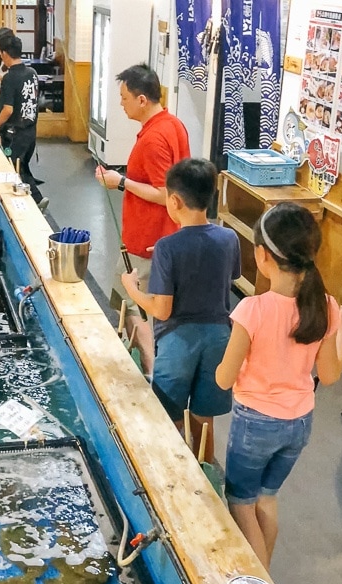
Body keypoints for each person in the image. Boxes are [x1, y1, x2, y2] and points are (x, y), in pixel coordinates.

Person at [215, 202, 342, 570]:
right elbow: (329, 376)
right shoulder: (325, 306)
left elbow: (224, 378)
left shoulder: (252, 310)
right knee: (267, 499)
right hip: (299, 425)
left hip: (255, 424)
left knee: (241, 502)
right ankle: (265, 572)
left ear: (262, 256)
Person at [121, 158, 240, 462]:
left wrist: (133, 287)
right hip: (218, 340)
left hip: (178, 343)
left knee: (170, 417)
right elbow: (220, 272)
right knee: (204, 418)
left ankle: (173, 475)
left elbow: (161, 309)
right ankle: (205, 474)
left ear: (173, 201)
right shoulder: (229, 239)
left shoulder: (167, 247)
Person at [94, 63, 190, 377]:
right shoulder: (174, 124)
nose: (121, 104)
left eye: (124, 98)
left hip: (148, 240)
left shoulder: (153, 139)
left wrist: (120, 181)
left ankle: (151, 372)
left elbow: (166, 193)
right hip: (162, 235)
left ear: (142, 100)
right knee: (127, 300)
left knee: (137, 304)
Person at [0, 32, 47, 209]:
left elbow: (8, 109)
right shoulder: (32, 73)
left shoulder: (10, 78)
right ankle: (35, 199)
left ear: (5, 53)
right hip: (30, 131)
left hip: (14, 133)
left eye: (0, 52)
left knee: (15, 167)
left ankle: (36, 200)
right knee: (22, 164)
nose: (0, 55)